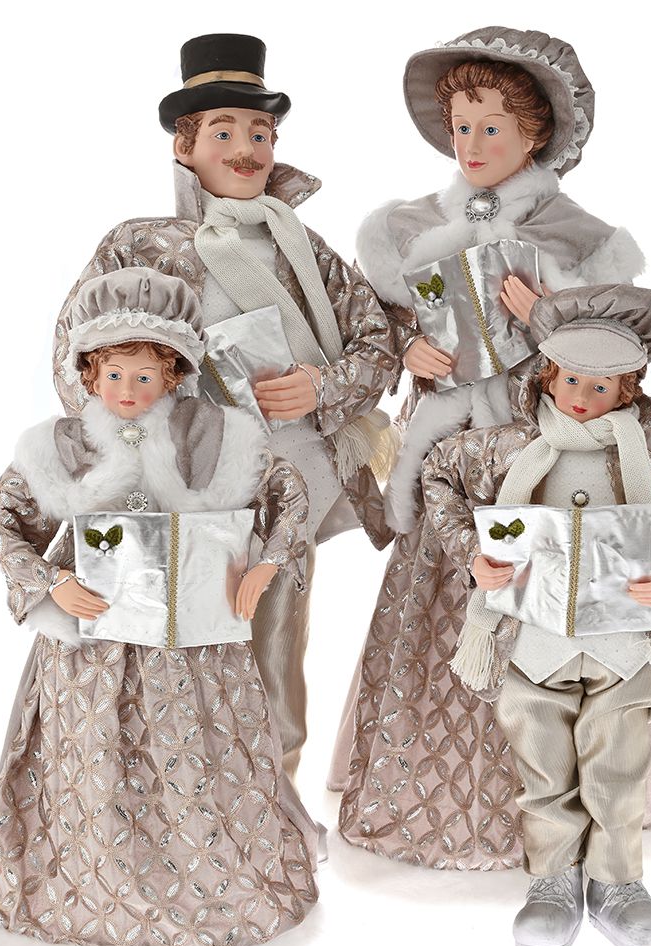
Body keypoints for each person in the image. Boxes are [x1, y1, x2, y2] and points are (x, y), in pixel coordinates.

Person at [332, 25, 651, 866]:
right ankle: (420, 781)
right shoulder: (410, 226)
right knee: (446, 588)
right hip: (448, 452)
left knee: (553, 596)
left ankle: (583, 794)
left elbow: (614, 359)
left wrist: (547, 316)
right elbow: (379, 329)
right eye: (460, 126)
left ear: (535, 135)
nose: (470, 144)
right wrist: (409, 352)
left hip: (540, 458)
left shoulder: (578, 237)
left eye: (491, 127)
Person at [52, 33, 400, 778]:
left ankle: (276, 800)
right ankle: (170, 801)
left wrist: (323, 386)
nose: (247, 150)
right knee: (166, 641)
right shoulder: (139, 245)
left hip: (288, 475)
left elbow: (378, 343)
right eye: (224, 132)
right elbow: (73, 353)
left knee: (275, 638)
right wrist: (142, 423)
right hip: (175, 483)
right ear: (185, 147)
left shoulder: (304, 247)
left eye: (261, 133)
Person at [0, 269, 319, 946]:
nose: (128, 391)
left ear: (173, 374)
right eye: (115, 375)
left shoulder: (216, 436)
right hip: (97, 643)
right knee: (93, 755)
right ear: (90, 375)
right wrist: (47, 583)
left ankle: (202, 874)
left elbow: (287, 495)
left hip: (194, 643)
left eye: (146, 377)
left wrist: (266, 562)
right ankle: (93, 875)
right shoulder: (62, 446)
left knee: (199, 756)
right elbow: (5, 518)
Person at [421, 284, 651, 946]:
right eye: (571, 378)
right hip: (530, 640)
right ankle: (552, 881)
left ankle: (617, 883)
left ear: (629, 388)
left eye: (602, 386)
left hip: (624, 646)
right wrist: (472, 554)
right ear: (548, 373)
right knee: (542, 767)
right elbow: (438, 476)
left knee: (617, 768)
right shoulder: (504, 449)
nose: (582, 396)